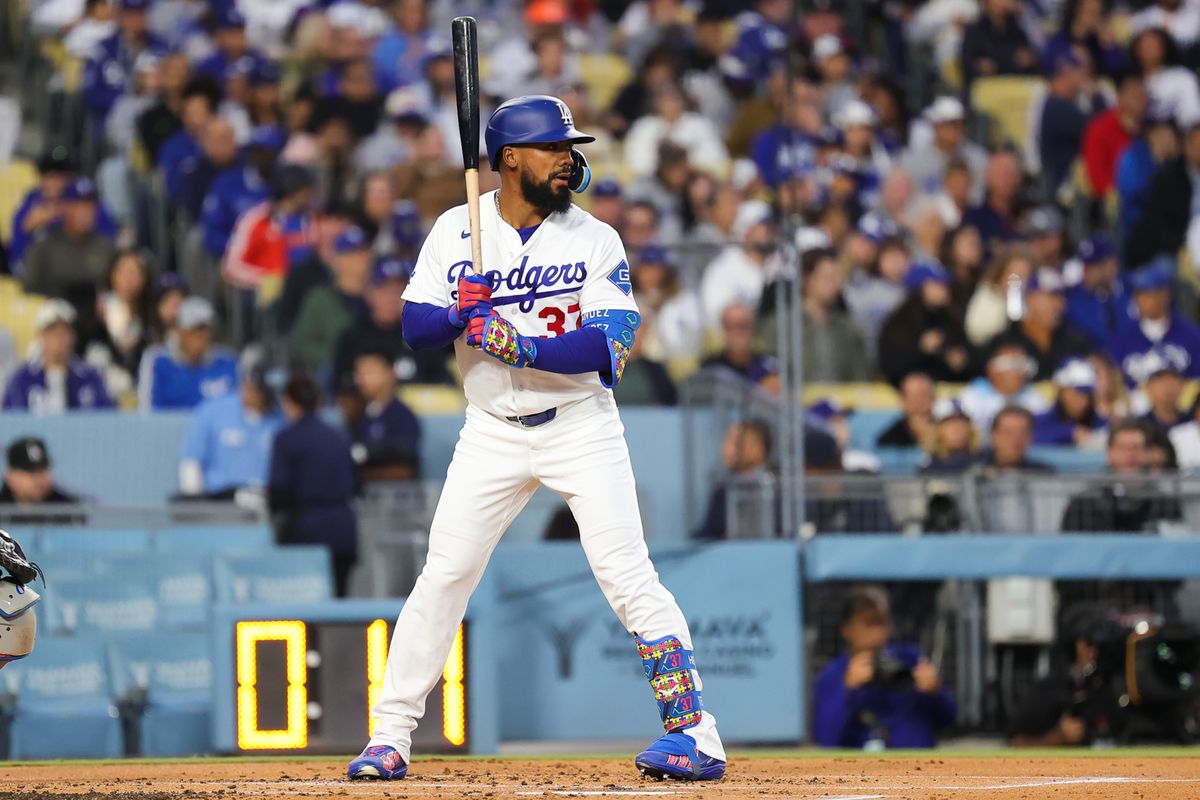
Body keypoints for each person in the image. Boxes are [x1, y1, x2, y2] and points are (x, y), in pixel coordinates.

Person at [348, 95, 726, 782]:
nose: (568, 159)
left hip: (580, 423)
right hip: (490, 430)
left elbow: (609, 342)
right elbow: (413, 328)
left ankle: (696, 734)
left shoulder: (594, 237)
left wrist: (520, 347)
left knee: (626, 574)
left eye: (569, 147)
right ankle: (390, 735)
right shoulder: (454, 231)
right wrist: (457, 316)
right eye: (554, 147)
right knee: (445, 576)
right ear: (510, 159)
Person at [812, 586, 956, 748]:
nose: (877, 632)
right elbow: (826, 738)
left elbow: (949, 721)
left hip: (918, 763)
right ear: (847, 629)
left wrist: (936, 692)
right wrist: (847, 690)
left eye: (881, 622)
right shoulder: (833, 674)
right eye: (868, 623)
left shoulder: (910, 660)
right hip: (862, 768)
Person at [268, 373, 359, 597]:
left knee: (303, 611)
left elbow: (278, 492)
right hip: (343, 530)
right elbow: (357, 483)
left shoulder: (286, 438)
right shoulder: (339, 436)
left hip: (306, 533)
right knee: (338, 610)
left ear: (288, 403)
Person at [331, 257, 450, 392]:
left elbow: (442, 383)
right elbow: (339, 389)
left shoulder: (422, 335)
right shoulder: (353, 338)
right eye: (384, 290)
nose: (392, 299)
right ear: (369, 293)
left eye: (399, 291)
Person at [1009, 605, 1117, 747]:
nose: (1095, 653)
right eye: (1090, 644)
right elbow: (1015, 743)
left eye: (1102, 647)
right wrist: (1057, 737)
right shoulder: (1049, 691)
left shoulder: (1115, 689)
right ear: (1075, 646)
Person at [179, 353, 283, 500]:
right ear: (248, 385)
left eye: (270, 395)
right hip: (222, 504)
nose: (267, 401)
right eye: (263, 393)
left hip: (266, 504)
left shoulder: (281, 420)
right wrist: (196, 505)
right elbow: (191, 462)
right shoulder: (213, 411)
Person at [1061, 420, 1183, 532]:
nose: (1130, 455)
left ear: (1146, 453)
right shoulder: (1084, 504)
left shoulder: (1164, 502)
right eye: (1123, 448)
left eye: (1136, 447)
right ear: (1110, 453)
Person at [2, 300, 114, 413]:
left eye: (65, 330)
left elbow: (107, 416)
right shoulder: (22, 378)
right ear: (40, 335)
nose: (59, 336)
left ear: (73, 336)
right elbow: (11, 419)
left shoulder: (90, 377)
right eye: (52, 330)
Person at [290, 226, 373, 374]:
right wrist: (340, 356)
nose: (361, 259)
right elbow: (302, 344)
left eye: (364, 251)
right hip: (333, 375)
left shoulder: (380, 298)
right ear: (337, 259)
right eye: (352, 253)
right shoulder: (320, 299)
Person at [21, 177, 117, 305]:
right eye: (79, 205)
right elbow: (28, 293)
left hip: (96, 319)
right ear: (63, 207)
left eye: (90, 205)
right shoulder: (43, 249)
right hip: (54, 316)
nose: (86, 211)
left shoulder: (107, 248)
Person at [878, 262, 974, 386]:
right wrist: (920, 349)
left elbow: (967, 358)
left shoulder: (950, 320)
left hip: (946, 394)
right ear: (923, 287)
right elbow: (890, 365)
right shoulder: (899, 324)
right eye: (938, 284)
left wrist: (960, 361)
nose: (946, 288)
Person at [1107, 259, 1200, 386]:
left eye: (1146, 292)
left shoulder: (1191, 335)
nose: (1140, 298)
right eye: (1137, 292)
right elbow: (1116, 386)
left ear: (1165, 295)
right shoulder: (1121, 339)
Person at [137, 296, 238, 411]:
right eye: (194, 329)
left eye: (205, 328)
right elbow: (147, 411)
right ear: (179, 331)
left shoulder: (227, 362)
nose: (201, 335)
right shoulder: (158, 361)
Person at [997, 268, 1094, 381]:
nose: (1059, 305)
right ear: (1030, 298)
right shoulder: (1006, 343)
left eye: (1062, 298)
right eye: (1052, 296)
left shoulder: (1076, 342)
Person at [83, 249, 153, 399]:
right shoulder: (96, 313)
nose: (128, 278)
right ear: (112, 275)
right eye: (123, 272)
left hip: (139, 388)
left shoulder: (150, 315)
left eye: (134, 272)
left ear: (144, 278)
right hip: (105, 388)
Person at [1127, 122, 1200, 266]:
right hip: (1175, 249)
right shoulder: (1169, 178)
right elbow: (1156, 224)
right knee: (1164, 267)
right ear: (1186, 146)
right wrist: (1183, 246)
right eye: (1197, 145)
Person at [693, 419, 774, 541]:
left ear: (758, 448)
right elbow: (706, 534)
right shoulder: (722, 491)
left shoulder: (779, 489)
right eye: (726, 442)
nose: (725, 450)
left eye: (735, 443)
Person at [348, 348, 422, 482]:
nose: (361, 380)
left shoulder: (403, 416)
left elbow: (406, 459)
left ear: (389, 373)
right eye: (359, 373)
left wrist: (366, 453)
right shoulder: (358, 413)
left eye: (368, 373)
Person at [1081, 71, 1147, 199]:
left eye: (1143, 94)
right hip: (1115, 201)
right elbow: (1097, 175)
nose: (1140, 99)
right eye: (1134, 95)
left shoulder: (1152, 130)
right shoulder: (1100, 128)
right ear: (1120, 96)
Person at [958, 340, 1050, 431]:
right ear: (992, 369)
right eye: (1013, 366)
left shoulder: (1033, 397)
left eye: (1023, 365)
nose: (1020, 373)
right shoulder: (971, 397)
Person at [1064, 235, 1126, 348]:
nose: (1088, 272)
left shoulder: (1133, 288)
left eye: (1095, 266)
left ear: (1113, 264)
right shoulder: (1072, 299)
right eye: (1085, 266)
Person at [702, 303, 779, 390]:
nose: (739, 333)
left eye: (745, 326)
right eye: (733, 326)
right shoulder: (710, 367)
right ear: (724, 330)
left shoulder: (769, 366)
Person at [1034, 358, 1108, 447]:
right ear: (1062, 392)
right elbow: (1027, 438)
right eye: (1077, 393)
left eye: (1087, 394)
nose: (1083, 400)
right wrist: (1068, 433)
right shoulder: (1040, 422)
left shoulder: (1100, 423)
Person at [0, 437, 78, 505]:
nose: (39, 478)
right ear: (11, 477)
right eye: (31, 472)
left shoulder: (70, 509)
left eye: (43, 470)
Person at [982, 406, 1054, 472]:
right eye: (1008, 433)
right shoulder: (973, 467)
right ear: (993, 435)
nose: (1015, 440)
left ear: (1030, 437)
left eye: (1022, 433)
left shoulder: (1042, 474)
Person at [921, 398, 982, 473]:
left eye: (962, 423)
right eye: (950, 423)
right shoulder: (928, 471)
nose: (957, 429)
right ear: (937, 430)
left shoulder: (984, 462)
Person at [877, 372, 935, 448]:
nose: (919, 402)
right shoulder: (890, 439)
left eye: (924, 395)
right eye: (913, 398)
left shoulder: (948, 431)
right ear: (903, 401)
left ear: (934, 398)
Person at [1138, 357, 1187, 433]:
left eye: (1173, 381)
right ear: (1148, 386)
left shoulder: (1192, 420)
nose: (1169, 387)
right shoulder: (1140, 426)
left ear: (1182, 386)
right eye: (1162, 381)